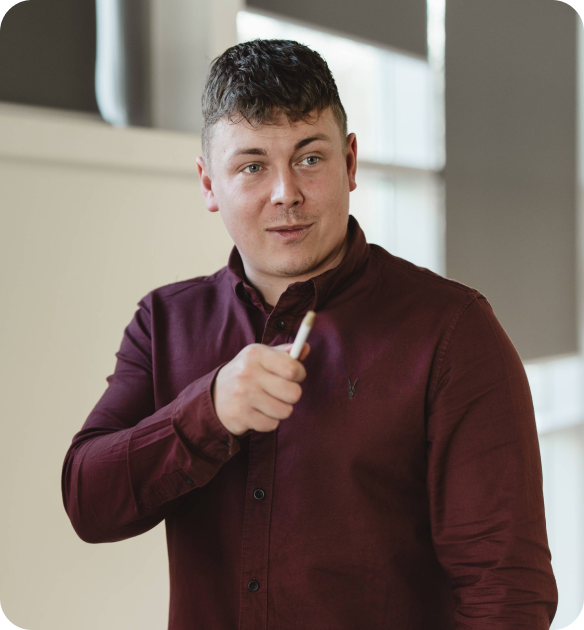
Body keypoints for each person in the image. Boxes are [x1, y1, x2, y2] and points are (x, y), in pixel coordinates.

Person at [61, 39, 558, 629]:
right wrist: (208, 411)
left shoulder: (454, 331)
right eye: (251, 166)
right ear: (207, 184)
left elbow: (505, 591)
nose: (285, 193)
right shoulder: (163, 322)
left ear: (349, 163)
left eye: (309, 158)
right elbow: (89, 504)